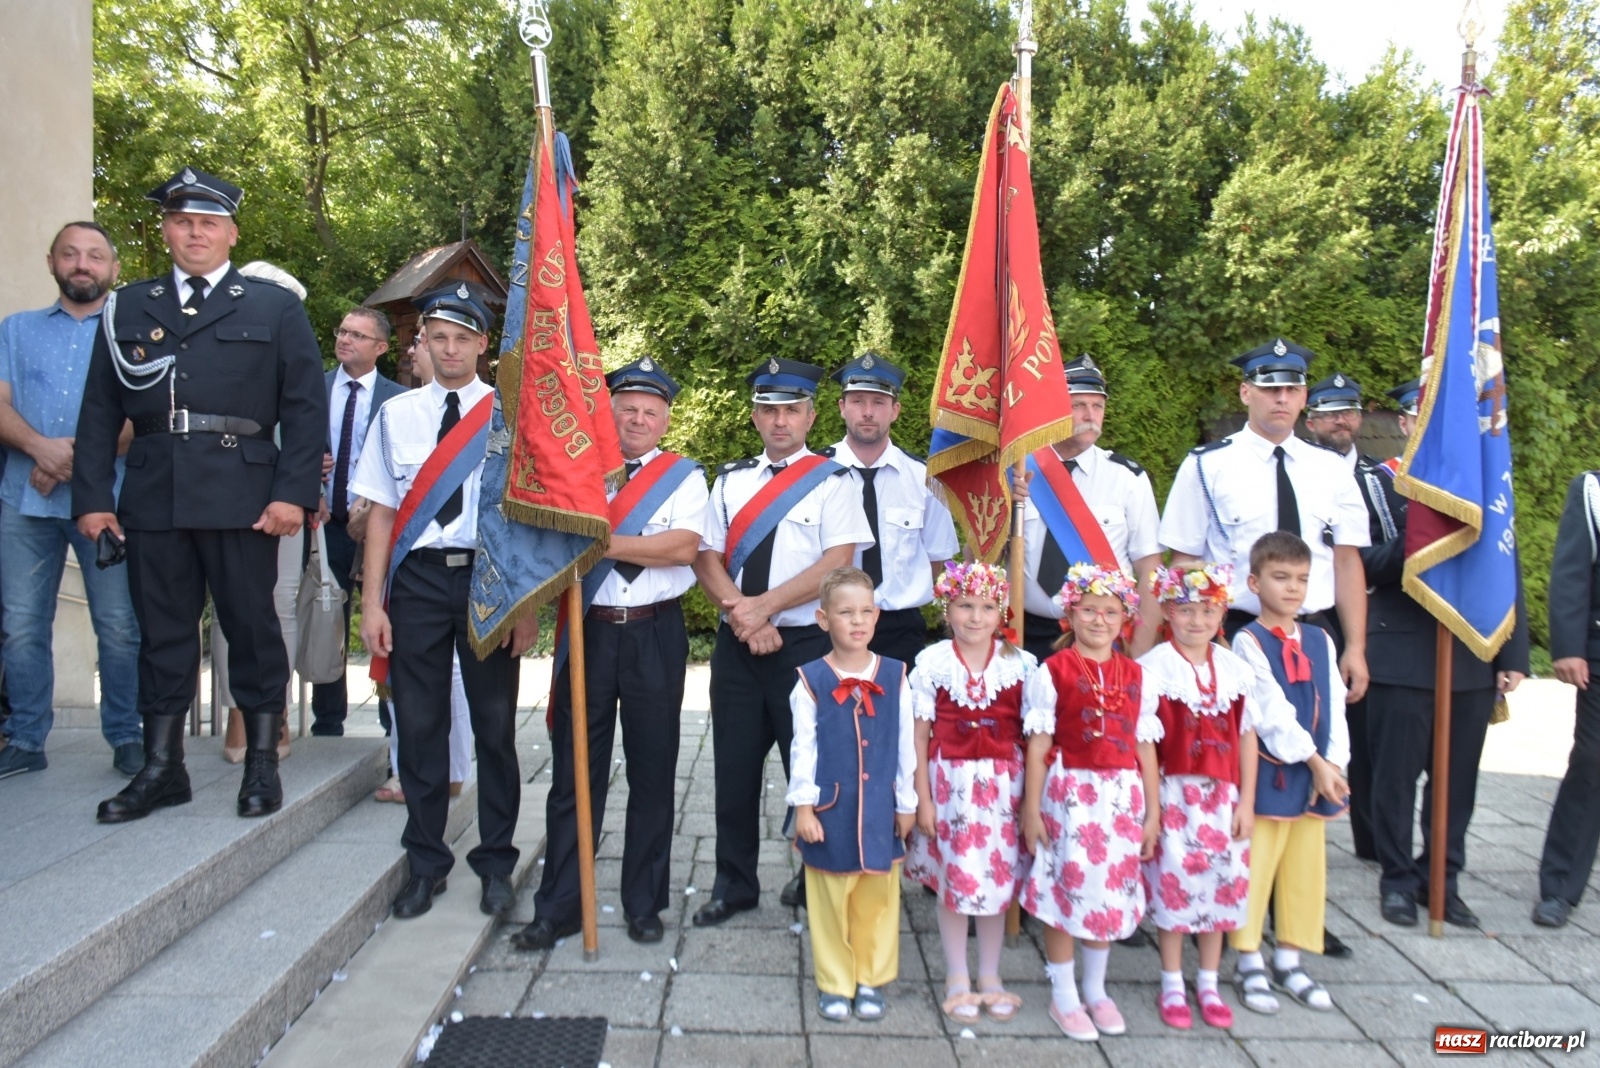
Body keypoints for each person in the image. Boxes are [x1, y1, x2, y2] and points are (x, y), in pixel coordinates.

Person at [73, 169, 325, 822]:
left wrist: (293, 493)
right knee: (160, 634)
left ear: (230, 233)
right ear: (166, 230)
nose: (194, 233)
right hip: (155, 495)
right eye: (183, 221)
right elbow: (99, 410)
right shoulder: (127, 306)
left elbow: (303, 409)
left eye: (208, 223)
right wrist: (94, 497)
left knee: (252, 627)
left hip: (243, 494)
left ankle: (263, 763)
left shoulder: (273, 307)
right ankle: (163, 769)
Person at [1160, 340, 1369, 959]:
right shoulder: (1208, 464)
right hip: (1236, 633)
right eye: (1269, 388)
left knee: (1314, 772)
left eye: (1292, 389)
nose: (1282, 399)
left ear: (1305, 398)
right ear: (1245, 392)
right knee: (1242, 776)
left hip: (1314, 634)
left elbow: (1349, 559)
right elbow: (1186, 560)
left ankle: (1295, 918)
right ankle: (1225, 908)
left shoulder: (1333, 468)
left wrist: (1354, 644)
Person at [352, 284, 537, 919]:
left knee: (493, 728)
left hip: (489, 580)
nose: (451, 349)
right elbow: (380, 515)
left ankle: (496, 864)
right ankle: (425, 862)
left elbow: (528, 519)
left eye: (463, 338)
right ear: (422, 342)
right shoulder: (395, 417)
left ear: (484, 345)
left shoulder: (512, 415)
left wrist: (528, 603)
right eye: (440, 337)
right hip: (419, 583)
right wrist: (373, 603)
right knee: (421, 728)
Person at [514, 357, 708, 950]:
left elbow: (680, 548)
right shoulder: (577, 474)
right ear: (609, 412)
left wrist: (598, 541)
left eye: (651, 412)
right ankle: (559, 906)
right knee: (575, 773)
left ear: (666, 419)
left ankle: (643, 903)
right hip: (589, 629)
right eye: (628, 409)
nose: (639, 420)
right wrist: (625, 545)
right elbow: (543, 541)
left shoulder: (684, 476)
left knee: (653, 772)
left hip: (655, 633)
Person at [689, 358, 870, 927]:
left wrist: (761, 609)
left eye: (791, 410)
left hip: (805, 650)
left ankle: (813, 877)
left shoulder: (835, 481)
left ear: (812, 415)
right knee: (734, 770)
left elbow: (837, 564)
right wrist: (745, 620)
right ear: (755, 416)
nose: (780, 421)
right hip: (738, 647)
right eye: (769, 410)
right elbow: (705, 556)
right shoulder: (731, 479)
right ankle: (734, 883)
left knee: (813, 770)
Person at [779, 352, 957, 911]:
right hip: (832, 631)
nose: (867, 411)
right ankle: (814, 861)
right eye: (857, 400)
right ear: (840, 408)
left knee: (896, 748)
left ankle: (894, 853)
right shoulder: (813, 476)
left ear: (895, 410)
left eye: (878, 402)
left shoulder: (923, 479)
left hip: (898, 630)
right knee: (823, 748)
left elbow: (939, 560)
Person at [1363, 379, 1529, 929]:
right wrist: (1420, 537)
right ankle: (1396, 879)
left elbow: (1504, 570)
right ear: (1406, 424)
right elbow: (1361, 567)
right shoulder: (1374, 484)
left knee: (1457, 783)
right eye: (1419, 415)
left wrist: (1512, 653)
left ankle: (1443, 879)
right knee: (1394, 779)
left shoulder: (1481, 484)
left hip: (1469, 653)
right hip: (1402, 653)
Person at [0, 221, 142, 779]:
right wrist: (39, 448)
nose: (82, 264)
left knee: (118, 623)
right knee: (20, 623)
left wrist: (73, 463)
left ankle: (126, 736)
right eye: (71, 254)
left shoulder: (131, 335)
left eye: (95, 256)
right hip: (22, 500)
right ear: (52, 261)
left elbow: (142, 415)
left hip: (105, 501)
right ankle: (26, 737)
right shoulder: (15, 330)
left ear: (113, 269)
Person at [1019, 564, 1155, 1043]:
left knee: (1107, 893)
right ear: (1070, 615)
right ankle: (1064, 993)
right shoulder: (1051, 671)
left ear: (1125, 618)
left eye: (1111, 612)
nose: (1100, 620)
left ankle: (1096, 989)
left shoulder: (1138, 674)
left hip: (1120, 800)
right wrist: (1031, 810)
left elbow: (1144, 747)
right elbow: (1038, 745)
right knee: (1067, 889)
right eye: (1089, 610)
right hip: (1070, 796)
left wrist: (1153, 813)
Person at [904, 561, 1033, 1025]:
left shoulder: (1021, 666)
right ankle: (958, 974)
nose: (975, 617)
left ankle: (991, 974)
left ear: (1001, 613)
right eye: (964, 606)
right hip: (950, 788)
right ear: (947, 610)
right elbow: (918, 736)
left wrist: (1031, 804)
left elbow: (1034, 737)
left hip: (1003, 791)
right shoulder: (933, 664)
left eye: (986, 607)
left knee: (997, 884)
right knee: (955, 882)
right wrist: (922, 797)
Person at [1228, 532, 1351, 1015]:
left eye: (1302, 579)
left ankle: (1291, 956)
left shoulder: (1320, 638)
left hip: (1318, 774)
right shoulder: (1247, 640)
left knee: (1304, 870)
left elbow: (1336, 705)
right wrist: (1314, 761)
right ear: (1255, 583)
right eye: (1281, 578)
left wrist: (1335, 764)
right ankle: (1248, 957)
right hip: (1274, 772)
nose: (1293, 588)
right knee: (1257, 866)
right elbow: (1268, 712)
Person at [788, 567, 916, 1022]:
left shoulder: (897, 676)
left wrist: (907, 805)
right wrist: (803, 806)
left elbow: (905, 746)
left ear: (877, 616)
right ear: (824, 619)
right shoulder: (809, 681)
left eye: (865, 612)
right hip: (831, 812)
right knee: (829, 902)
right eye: (845, 613)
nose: (857, 621)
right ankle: (835, 982)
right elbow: (803, 748)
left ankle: (870, 978)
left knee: (878, 901)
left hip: (880, 807)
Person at [1137, 563, 1258, 1031]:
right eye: (1186, 610)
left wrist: (1246, 802)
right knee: (1176, 892)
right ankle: (1171, 980)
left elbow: (1246, 735)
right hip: (1176, 796)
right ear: (1168, 610)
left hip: (1223, 799)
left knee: (1219, 890)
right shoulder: (1154, 669)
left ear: (1222, 610)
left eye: (1207, 610)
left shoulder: (1235, 670)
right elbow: (1146, 741)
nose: (1196, 620)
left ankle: (1208, 981)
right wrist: (1153, 806)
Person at [210, 261, 308, 764]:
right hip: (226, 493)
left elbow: (306, 420)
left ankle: (276, 710)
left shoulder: (293, 352)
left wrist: (306, 482)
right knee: (234, 609)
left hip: (285, 495)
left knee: (281, 603)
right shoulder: (212, 346)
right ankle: (237, 710)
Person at [1019, 356, 1162, 662]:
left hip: (1102, 641)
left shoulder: (1127, 478)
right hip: (1025, 637)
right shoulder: (1018, 470)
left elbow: (1150, 568)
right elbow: (982, 557)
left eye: (1098, 406)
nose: (1090, 415)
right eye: (1078, 405)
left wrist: (1140, 651)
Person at [1303, 372, 1384, 860]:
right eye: (1331, 412)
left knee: (1359, 737)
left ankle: (1370, 842)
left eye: (1349, 410)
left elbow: (1373, 554)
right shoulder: (1305, 467)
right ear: (1312, 420)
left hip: (1359, 615)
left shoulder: (1383, 477)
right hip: (1304, 611)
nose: (1341, 420)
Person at [313, 304, 404, 736]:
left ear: (381, 348)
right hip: (323, 525)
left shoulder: (398, 400)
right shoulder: (313, 388)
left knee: (384, 619)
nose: (345, 340)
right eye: (342, 331)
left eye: (357, 335)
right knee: (327, 619)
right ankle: (328, 722)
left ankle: (392, 724)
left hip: (376, 532)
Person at [1534, 468, 1600, 928]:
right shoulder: (1593, 489)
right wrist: (1570, 647)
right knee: (1592, 763)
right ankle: (1559, 887)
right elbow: (1572, 570)